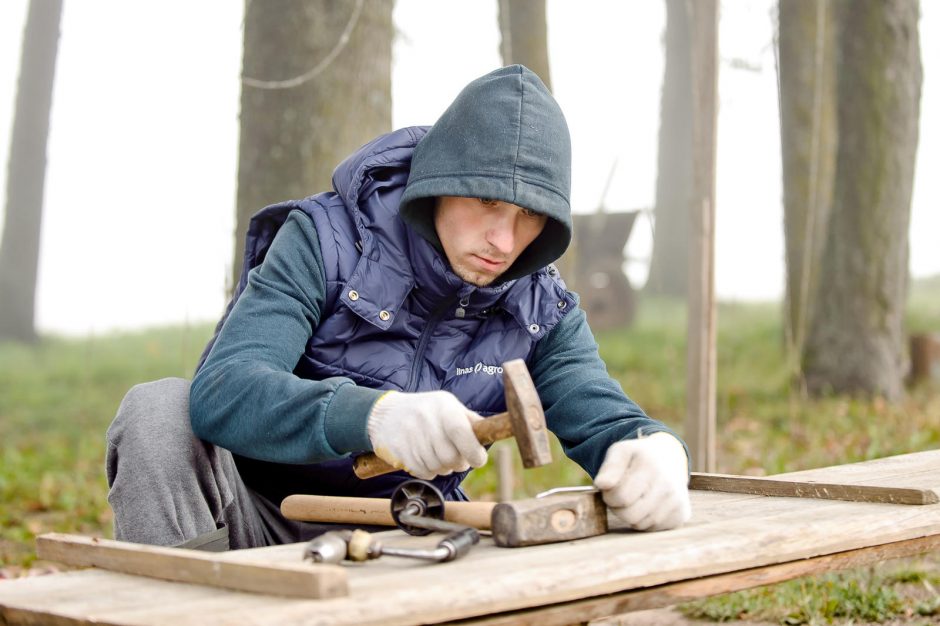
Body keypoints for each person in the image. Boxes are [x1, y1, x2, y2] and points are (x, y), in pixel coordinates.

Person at [106, 65, 691, 551]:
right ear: (440, 179)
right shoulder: (324, 240)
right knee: (157, 412)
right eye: (488, 200)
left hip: (419, 537)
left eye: (529, 215)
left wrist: (654, 450)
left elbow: (606, 416)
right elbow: (226, 390)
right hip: (262, 526)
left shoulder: (542, 306)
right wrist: (373, 417)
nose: (505, 241)